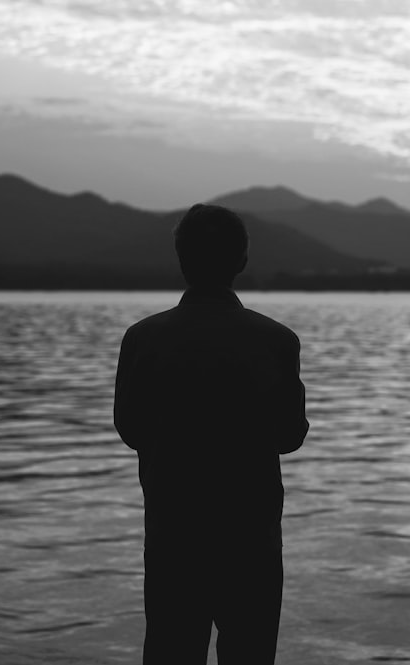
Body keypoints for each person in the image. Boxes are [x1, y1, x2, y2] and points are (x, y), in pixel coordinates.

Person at [113, 203, 309, 664]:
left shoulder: (142, 338)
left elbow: (130, 427)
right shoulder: (277, 341)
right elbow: (289, 436)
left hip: (172, 537)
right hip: (252, 542)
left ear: (181, 260)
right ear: (241, 261)